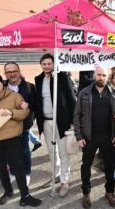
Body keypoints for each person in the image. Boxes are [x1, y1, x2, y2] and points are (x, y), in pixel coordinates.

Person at [0, 72, 41, 207]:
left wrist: (12, 113)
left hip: (12, 139)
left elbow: (25, 113)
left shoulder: (14, 96)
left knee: (18, 167)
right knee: (0, 168)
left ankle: (25, 195)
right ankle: (8, 191)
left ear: (2, 82)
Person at [74, 65, 115, 208]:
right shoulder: (84, 93)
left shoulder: (113, 93)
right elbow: (76, 115)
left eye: (104, 75)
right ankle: (86, 193)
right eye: (99, 75)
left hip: (108, 137)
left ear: (108, 77)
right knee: (86, 166)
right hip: (89, 137)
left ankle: (110, 191)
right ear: (94, 76)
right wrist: (78, 136)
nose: (102, 78)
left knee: (110, 165)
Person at [34, 53, 77, 195]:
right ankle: (56, 174)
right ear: (41, 65)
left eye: (49, 63)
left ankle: (65, 181)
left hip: (62, 122)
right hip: (46, 122)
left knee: (64, 151)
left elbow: (71, 99)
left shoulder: (63, 77)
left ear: (54, 64)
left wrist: (73, 121)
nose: (46, 66)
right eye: (44, 64)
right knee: (52, 152)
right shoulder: (38, 79)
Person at [4, 62, 38, 186]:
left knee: (24, 150)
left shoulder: (29, 86)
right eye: (9, 72)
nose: (12, 74)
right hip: (6, 126)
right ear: (5, 74)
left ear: (19, 72)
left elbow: (35, 105)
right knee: (9, 151)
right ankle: (12, 172)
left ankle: (26, 173)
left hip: (23, 125)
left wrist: (28, 105)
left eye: (14, 71)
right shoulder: (1, 86)